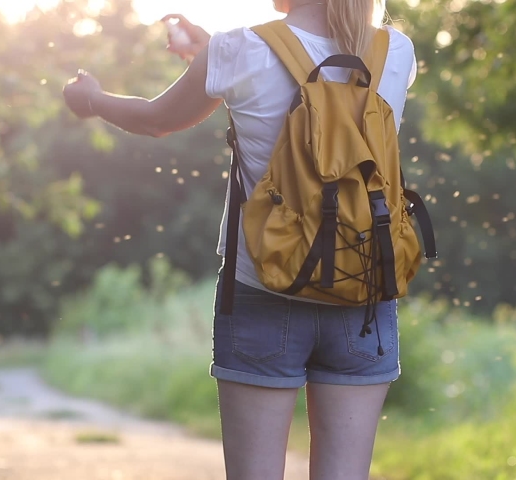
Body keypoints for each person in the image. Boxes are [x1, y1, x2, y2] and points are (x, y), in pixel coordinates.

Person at [62, 1, 417, 479]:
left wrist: (90, 99)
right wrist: (207, 54)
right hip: (364, 297)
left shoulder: (237, 50)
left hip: (264, 290)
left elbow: (156, 119)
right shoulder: (397, 50)